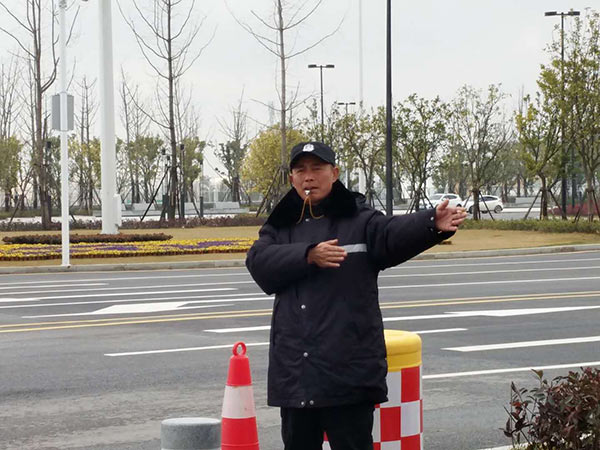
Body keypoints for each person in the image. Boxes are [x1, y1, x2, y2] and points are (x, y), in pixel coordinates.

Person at [246, 141, 467, 450]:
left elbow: (391, 233)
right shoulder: (281, 224)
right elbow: (258, 262)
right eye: (301, 170)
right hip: (297, 376)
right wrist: (308, 255)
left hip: (348, 375)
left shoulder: (358, 218)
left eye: (317, 168)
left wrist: (431, 223)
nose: (309, 177)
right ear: (292, 178)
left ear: (335, 173)